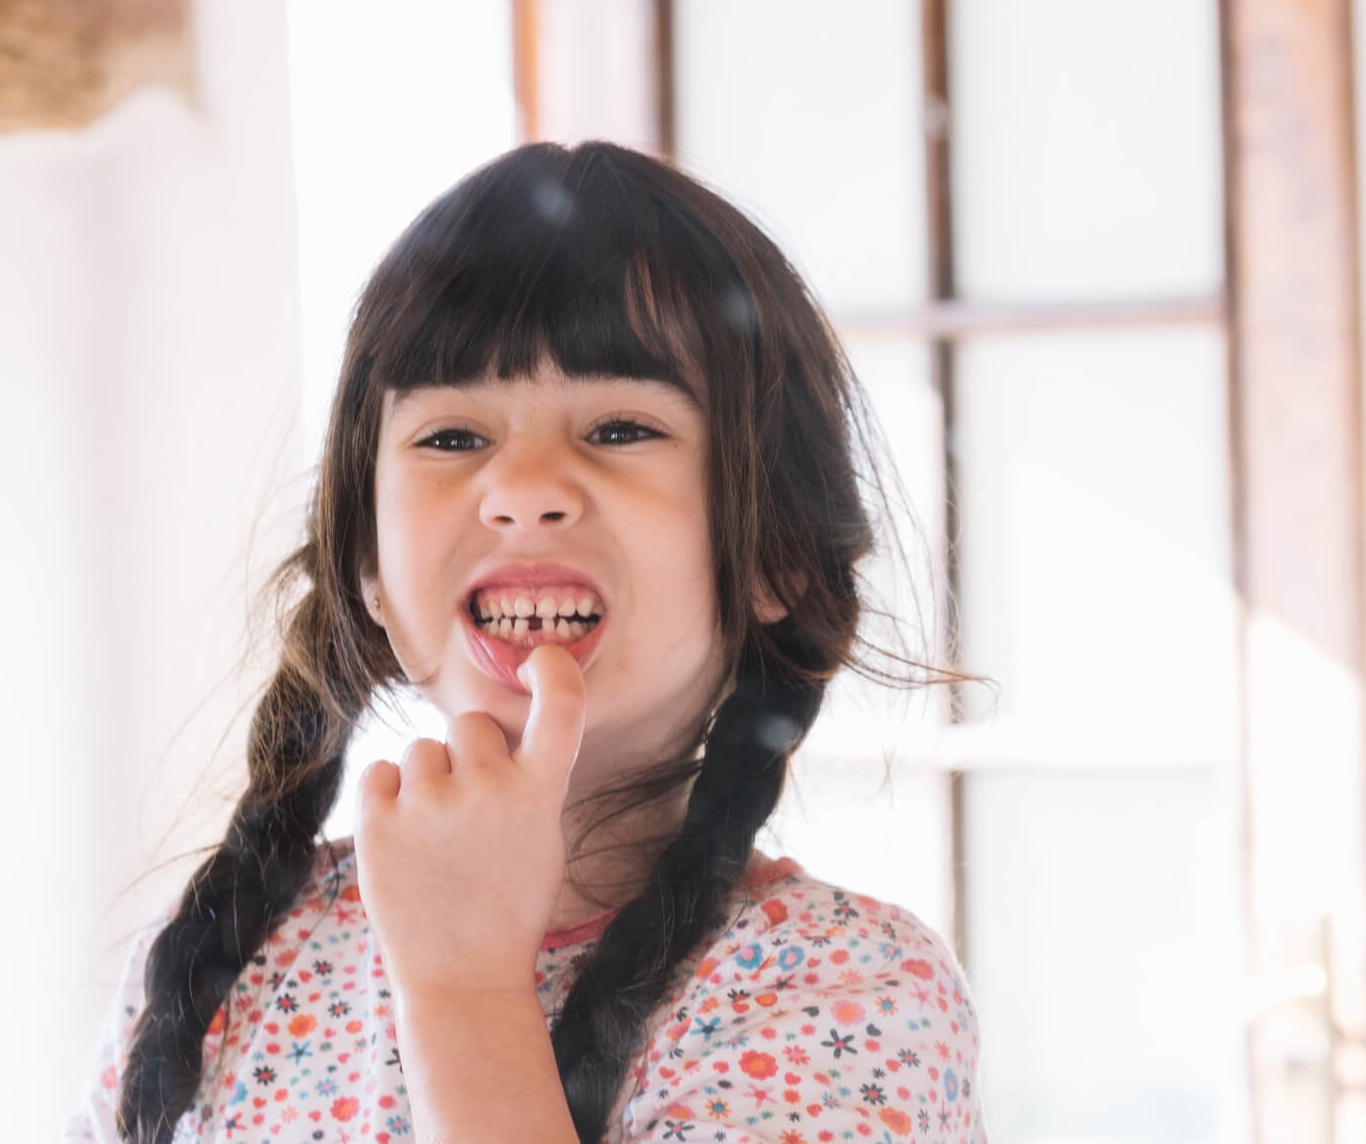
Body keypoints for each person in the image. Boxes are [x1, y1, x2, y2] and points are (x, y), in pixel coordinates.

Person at [65, 141, 985, 1143]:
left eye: (622, 428)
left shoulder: (844, 986)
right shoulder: (215, 963)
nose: (522, 491)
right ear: (366, 565)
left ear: (776, 557)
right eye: (451, 437)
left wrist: (465, 992)